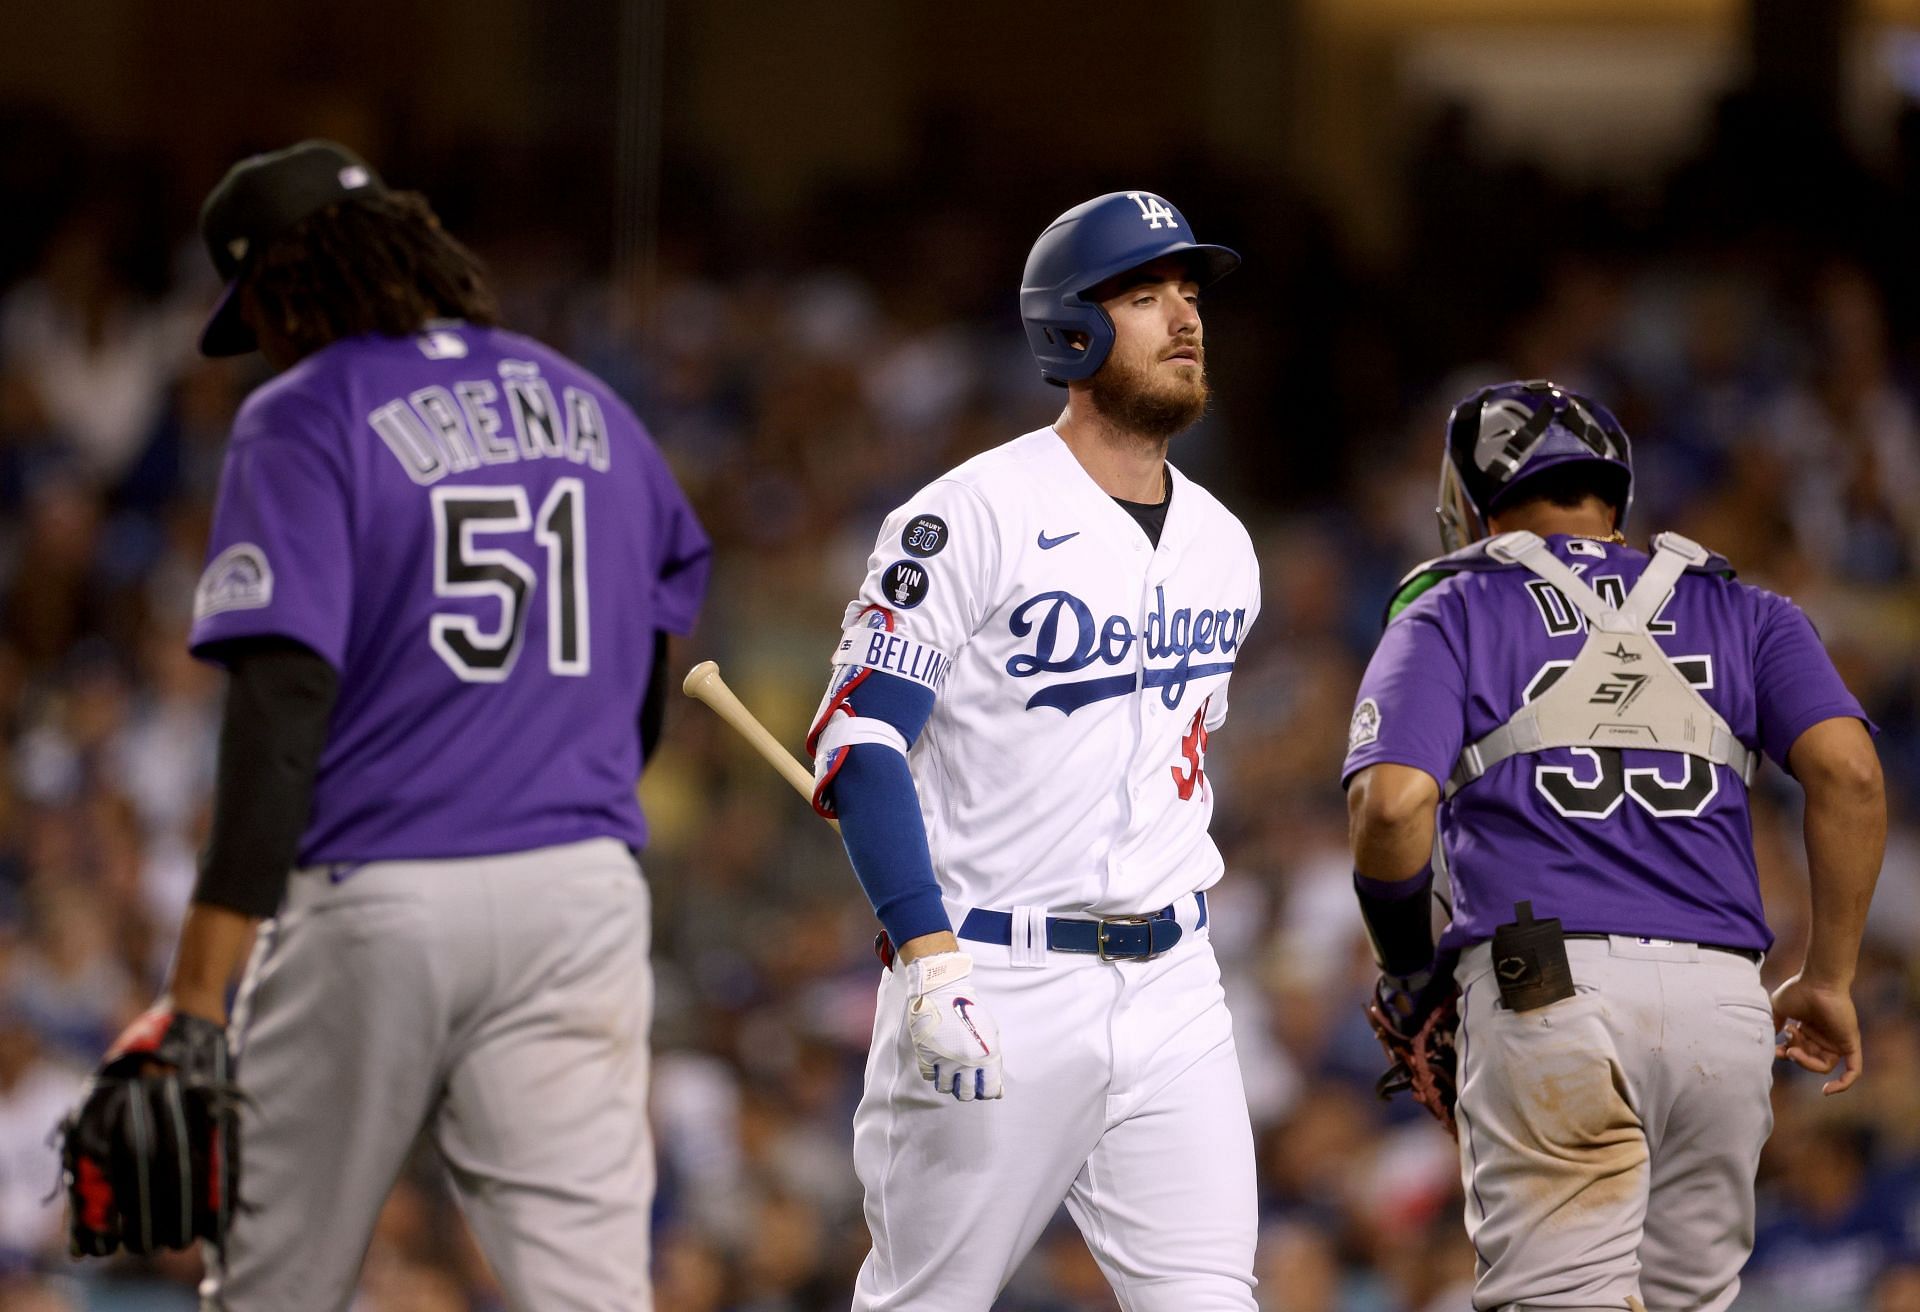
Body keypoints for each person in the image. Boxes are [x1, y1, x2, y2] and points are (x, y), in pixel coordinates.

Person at [63, 141, 710, 1309]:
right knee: (594, 1294)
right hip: (582, 891)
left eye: (256, 310)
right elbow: (644, 676)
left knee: (275, 1285)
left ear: (285, 286)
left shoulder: (302, 411)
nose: (261, 341)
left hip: (385, 889)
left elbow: (278, 713)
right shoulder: (592, 403)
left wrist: (198, 993)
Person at [806, 190, 1261, 1310]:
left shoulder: (1225, 544)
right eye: (1145, 294)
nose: (1183, 316)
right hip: (996, 974)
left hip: (1176, 983)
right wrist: (929, 955)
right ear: (1070, 329)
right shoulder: (966, 515)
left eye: (1189, 292)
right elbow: (860, 743)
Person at [1342, 379, 1885, 1312]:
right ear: (1611, 496)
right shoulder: (1745, 608)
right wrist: (1828, 979)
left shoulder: (1452, 607)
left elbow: (1390, 808)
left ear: (1475, 500)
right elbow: (1853, 775)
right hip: (1725, 1001)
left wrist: (1403, 968)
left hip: (1541, 976)